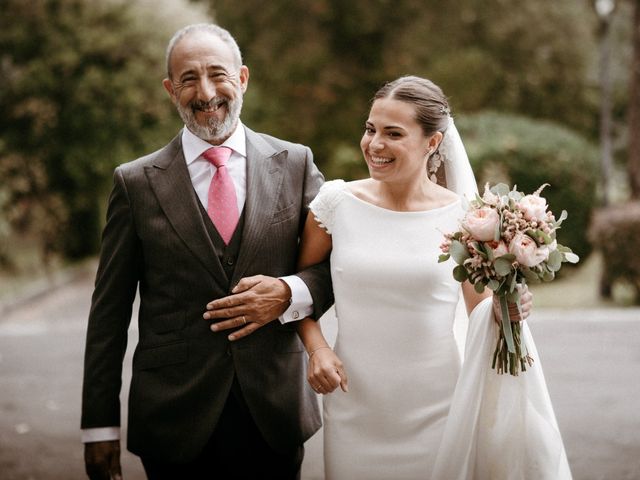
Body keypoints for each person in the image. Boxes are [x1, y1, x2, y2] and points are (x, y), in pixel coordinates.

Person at [81, 23, 333, 480]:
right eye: (188, 79)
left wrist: (288, 291)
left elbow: (336, 267)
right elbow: (108, 316)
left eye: (217, 74)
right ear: (169, 90)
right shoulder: (135, 183)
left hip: (273, 410)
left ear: (242, 78)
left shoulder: (295, 164)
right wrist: (99, 427)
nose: (206, 92)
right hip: (174, 416)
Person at [294, 76, 572, 479]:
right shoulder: (335, 203)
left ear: (433, 143)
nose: (374, 144)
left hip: (439, 405)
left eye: (393, 134)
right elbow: (301, 288)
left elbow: (480, 311)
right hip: (355, 401)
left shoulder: (465, 217)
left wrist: (507, 307)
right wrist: (317, 348)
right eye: (370, 129)